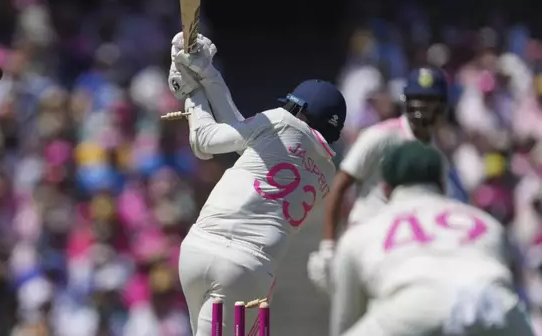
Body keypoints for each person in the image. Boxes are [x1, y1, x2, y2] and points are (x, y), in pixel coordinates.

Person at [168, 32, 346, 336]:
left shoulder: (280, 121)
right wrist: (207, 73)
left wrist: (190, 90)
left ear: (298, 109)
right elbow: (244, 135)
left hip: (198, 248)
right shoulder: (326, 174)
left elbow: (204, 141)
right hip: (246, 269)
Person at [329, 141, 533, 336]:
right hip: (494, 305)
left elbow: (345, 321)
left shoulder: (364, 232)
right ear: (443, 184)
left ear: (385, 189)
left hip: (415, 307)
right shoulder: (488, 224)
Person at [307, 66, 450, 292]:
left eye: (429, 99)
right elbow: (341, 185)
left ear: (441, 105)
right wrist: (328, 246)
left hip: (402, 248)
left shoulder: (436, 154)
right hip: (367, 238)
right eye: (417, 98)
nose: (423, 106)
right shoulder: (379, 136)